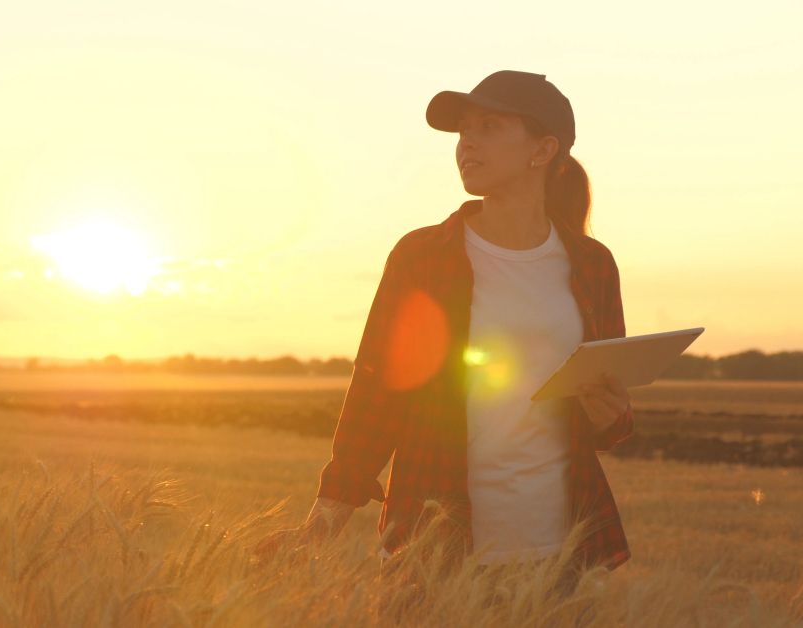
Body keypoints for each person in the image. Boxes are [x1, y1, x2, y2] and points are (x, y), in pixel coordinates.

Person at [255, 70, 634, 590]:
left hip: (563, 552)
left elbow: (604, 408)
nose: (467, 142)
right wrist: (324, 518)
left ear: (543, 150)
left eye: (489, 126)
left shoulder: (592, 264)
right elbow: (377, 389)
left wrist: (611, 416)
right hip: (433, 547)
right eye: (462, 130)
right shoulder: (424, 256)